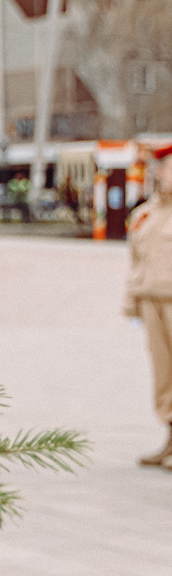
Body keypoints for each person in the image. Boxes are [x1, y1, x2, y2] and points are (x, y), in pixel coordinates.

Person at [127, 153, 172, 466]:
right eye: (164, 167)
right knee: (163, 374)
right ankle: (170, 437)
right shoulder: (145, 213)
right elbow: (135, 261)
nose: (164, 172)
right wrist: (131, 301)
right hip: (151, 300)